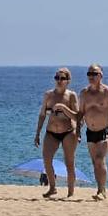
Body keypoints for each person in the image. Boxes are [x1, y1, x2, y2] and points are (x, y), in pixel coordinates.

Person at [77, 64, 108, 201]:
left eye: (94, 74)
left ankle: (102, 190)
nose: (91, 76)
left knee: (100, 159)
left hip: (105, 129)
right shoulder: (84, 93)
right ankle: (99, 189)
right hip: (90, 131)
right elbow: (80, 113)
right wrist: (77, 131)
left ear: (101, 76)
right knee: (95, 162)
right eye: (89, 74)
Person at [34, 68, 79, 198]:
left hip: (68, 132)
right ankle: (52, 187)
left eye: (62, 78)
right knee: (47, 159)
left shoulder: (71, 95)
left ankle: (70, 192)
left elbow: (77, 116)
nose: (59, 81)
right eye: (57, 78)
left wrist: (64, 108)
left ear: (68, 81)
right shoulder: (48, 95)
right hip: (51, 131)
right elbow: (42, 115)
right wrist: (37, 133)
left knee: (69, 162)